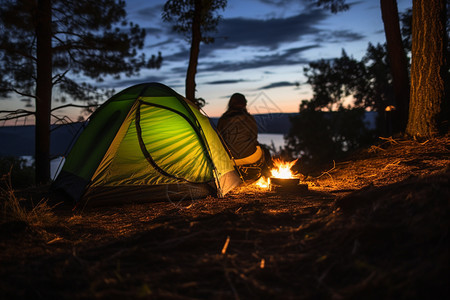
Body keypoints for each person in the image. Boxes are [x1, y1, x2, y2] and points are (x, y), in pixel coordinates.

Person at [217, 93, 272, 180]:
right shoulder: (249, 118)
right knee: (265, 151)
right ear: (244, 104)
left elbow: (219, 139)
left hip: (230, 159)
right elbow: (254, 138)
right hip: (250, 156)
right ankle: (267, 175)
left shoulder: (223, 119)